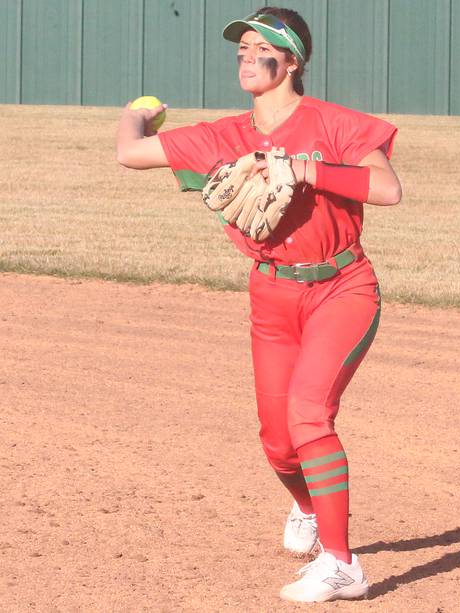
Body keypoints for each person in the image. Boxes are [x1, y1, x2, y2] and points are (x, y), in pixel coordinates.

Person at [116, 6, 401, 603]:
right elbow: (130, 153)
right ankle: (305, 509)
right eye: (241, 48)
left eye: (259, 48)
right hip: (270, 295)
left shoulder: (336, 125)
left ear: (292, 60)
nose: (246, 57)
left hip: (341, 288)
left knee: (308, 415)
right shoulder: (223, 137)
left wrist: (310, 170)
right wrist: (135, 115)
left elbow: (387, 189)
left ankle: (342, 563)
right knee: (277, 440)